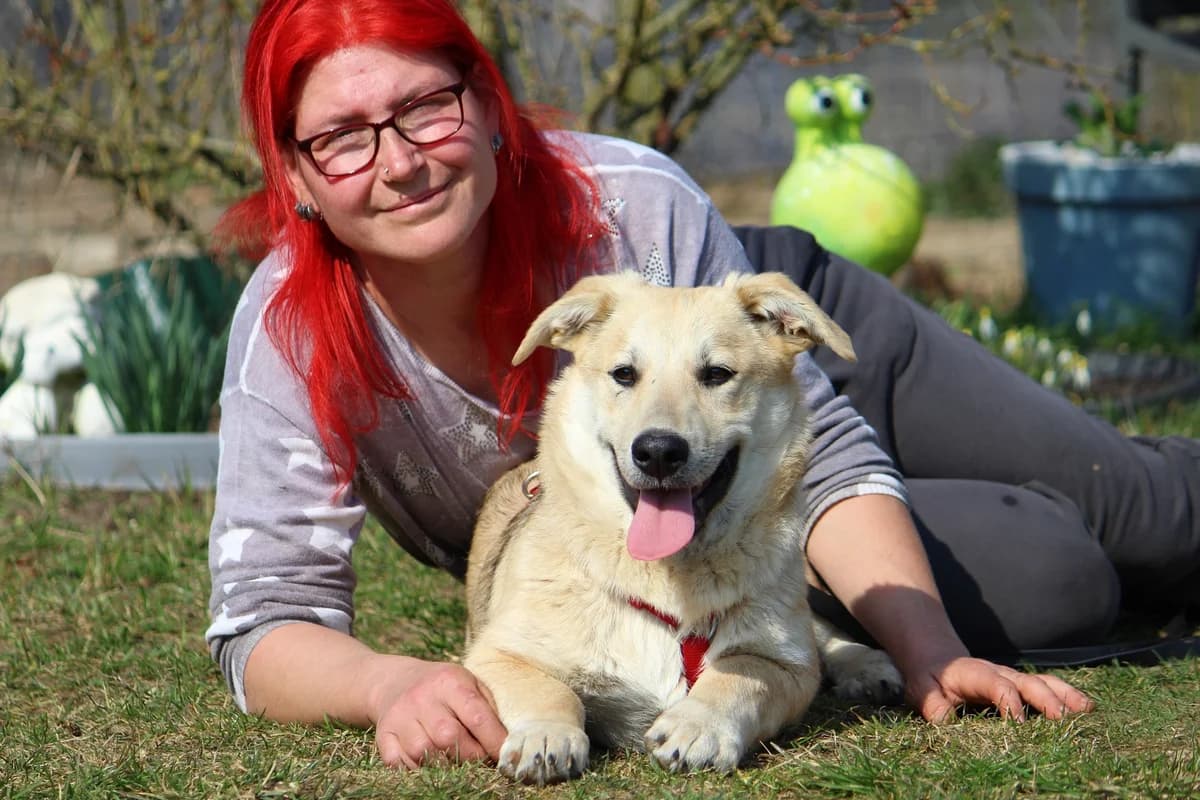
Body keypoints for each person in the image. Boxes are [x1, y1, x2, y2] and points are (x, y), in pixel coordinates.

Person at [206, 0, 1198, 771]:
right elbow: (263, 618)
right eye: (343, 135)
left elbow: (832, 447)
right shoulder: (291, 327)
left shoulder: (628, 204)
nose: (401, 161)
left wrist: (930, 647)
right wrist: (390, 687)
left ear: (487, 105)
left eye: (427, 106)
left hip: (764, 346)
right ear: (294, 173)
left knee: (1138, 506)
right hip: (685, 524)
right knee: (1052, 574)